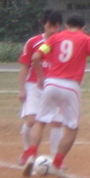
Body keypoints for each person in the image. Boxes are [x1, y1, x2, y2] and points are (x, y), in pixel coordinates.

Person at [21, 14, 90, 178]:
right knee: (72, 128)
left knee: (40, 121)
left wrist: (41, 76)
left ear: (66, 25)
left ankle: (31, 154)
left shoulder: (55, 38)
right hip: (70, 86)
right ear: (83, 28)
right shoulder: (86, 39)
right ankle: (57, 164)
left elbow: (36, 56)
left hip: (51, 83)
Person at [17, 10, 64, 166]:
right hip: (33, 86)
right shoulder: (33, 42)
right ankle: (27, 151)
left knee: (57, 122)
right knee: (32, 120)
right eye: (50, 26)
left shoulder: (62, 44)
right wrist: (22, 89)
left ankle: (55, 158)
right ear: (44, 25)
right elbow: (24, 66)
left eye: (56, 27)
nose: (53, 30)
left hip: (54, 86)